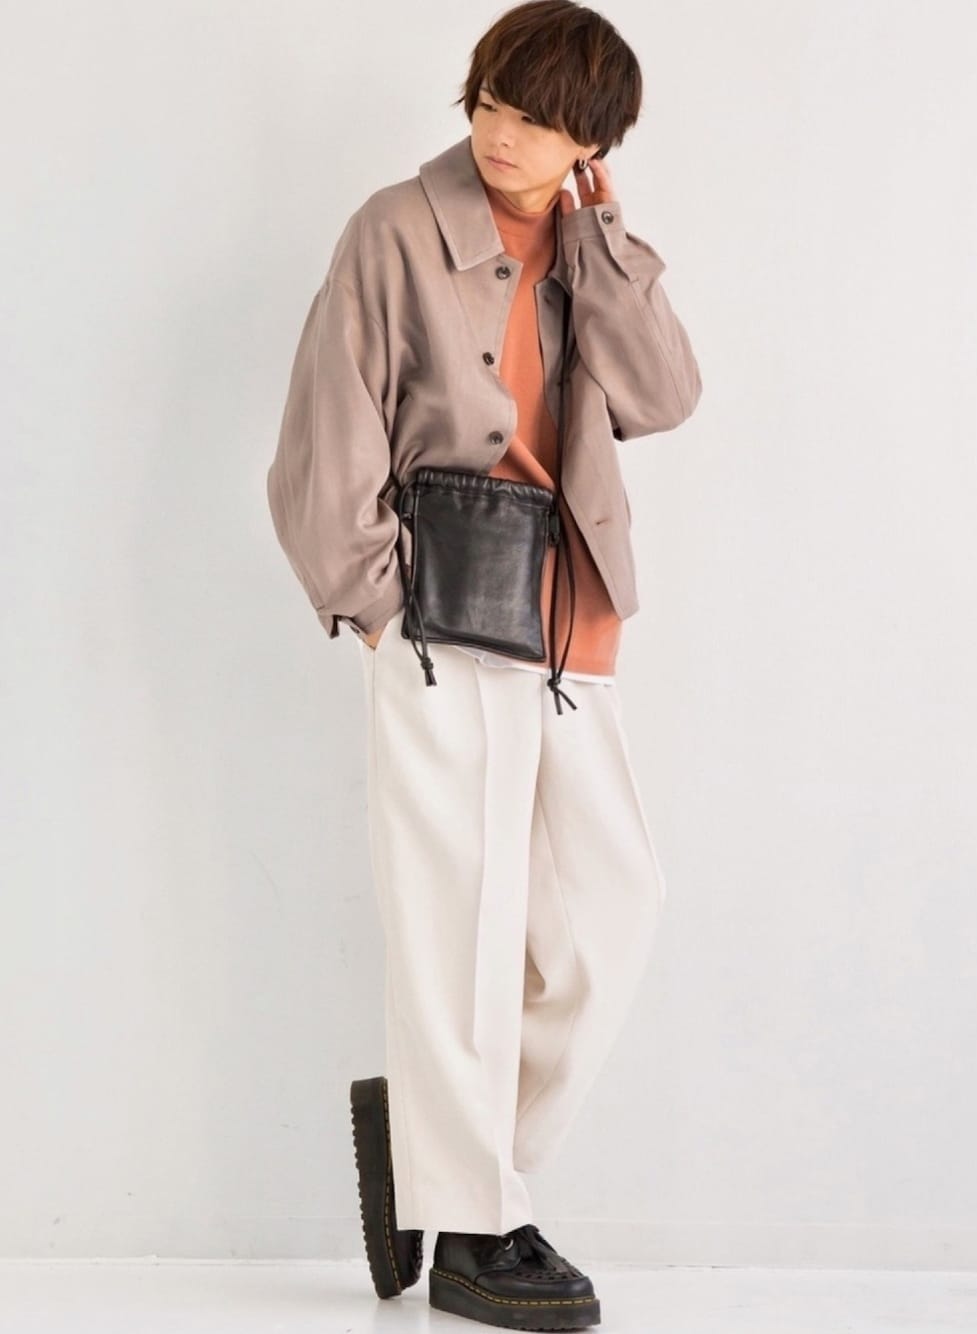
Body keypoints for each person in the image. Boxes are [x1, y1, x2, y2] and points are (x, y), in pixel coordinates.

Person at [267, 2, 702, 1327]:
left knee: (609, 917)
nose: (502, 137)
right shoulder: (394, 230)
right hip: (441, 612)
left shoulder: (585, 240)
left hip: (568, 619)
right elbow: (325, 430)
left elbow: (664, 397)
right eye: (492, 105)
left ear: (592, 142)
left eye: (538, 120)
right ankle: (472, 1230)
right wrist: (377, 605)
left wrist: (606, 246)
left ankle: (439, 1142)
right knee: (461, 923)